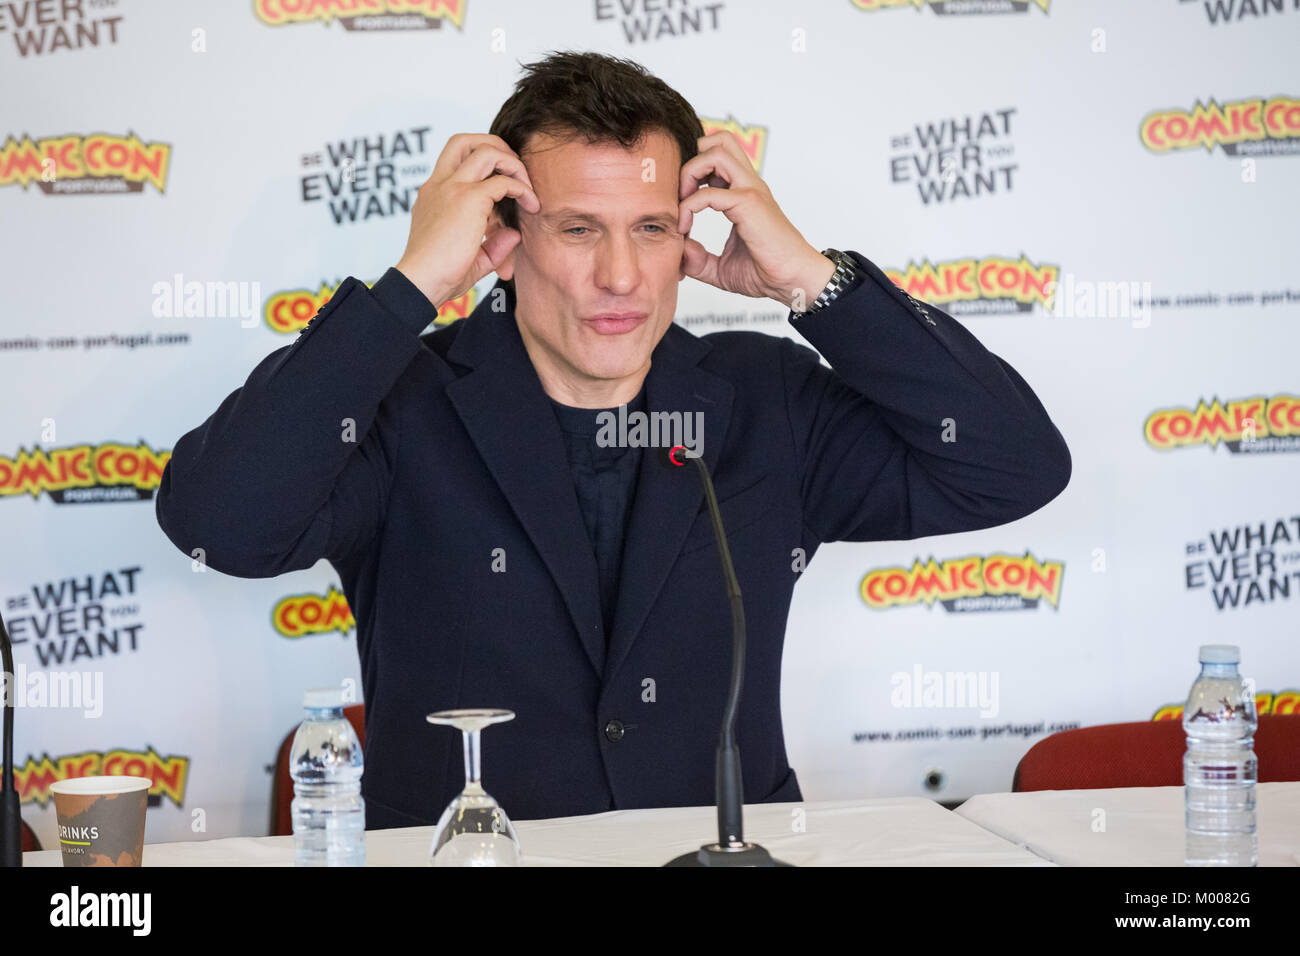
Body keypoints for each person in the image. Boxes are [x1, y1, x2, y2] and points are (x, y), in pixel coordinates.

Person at [155, 51, 1071, 830]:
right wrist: (409, 289)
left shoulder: (765, 400)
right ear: (504, 233)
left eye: (652, 228)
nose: (623, 275)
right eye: (580, 228)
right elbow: (220, 524)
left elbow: (1014, 466)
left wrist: (811, 281)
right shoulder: (401, 400)